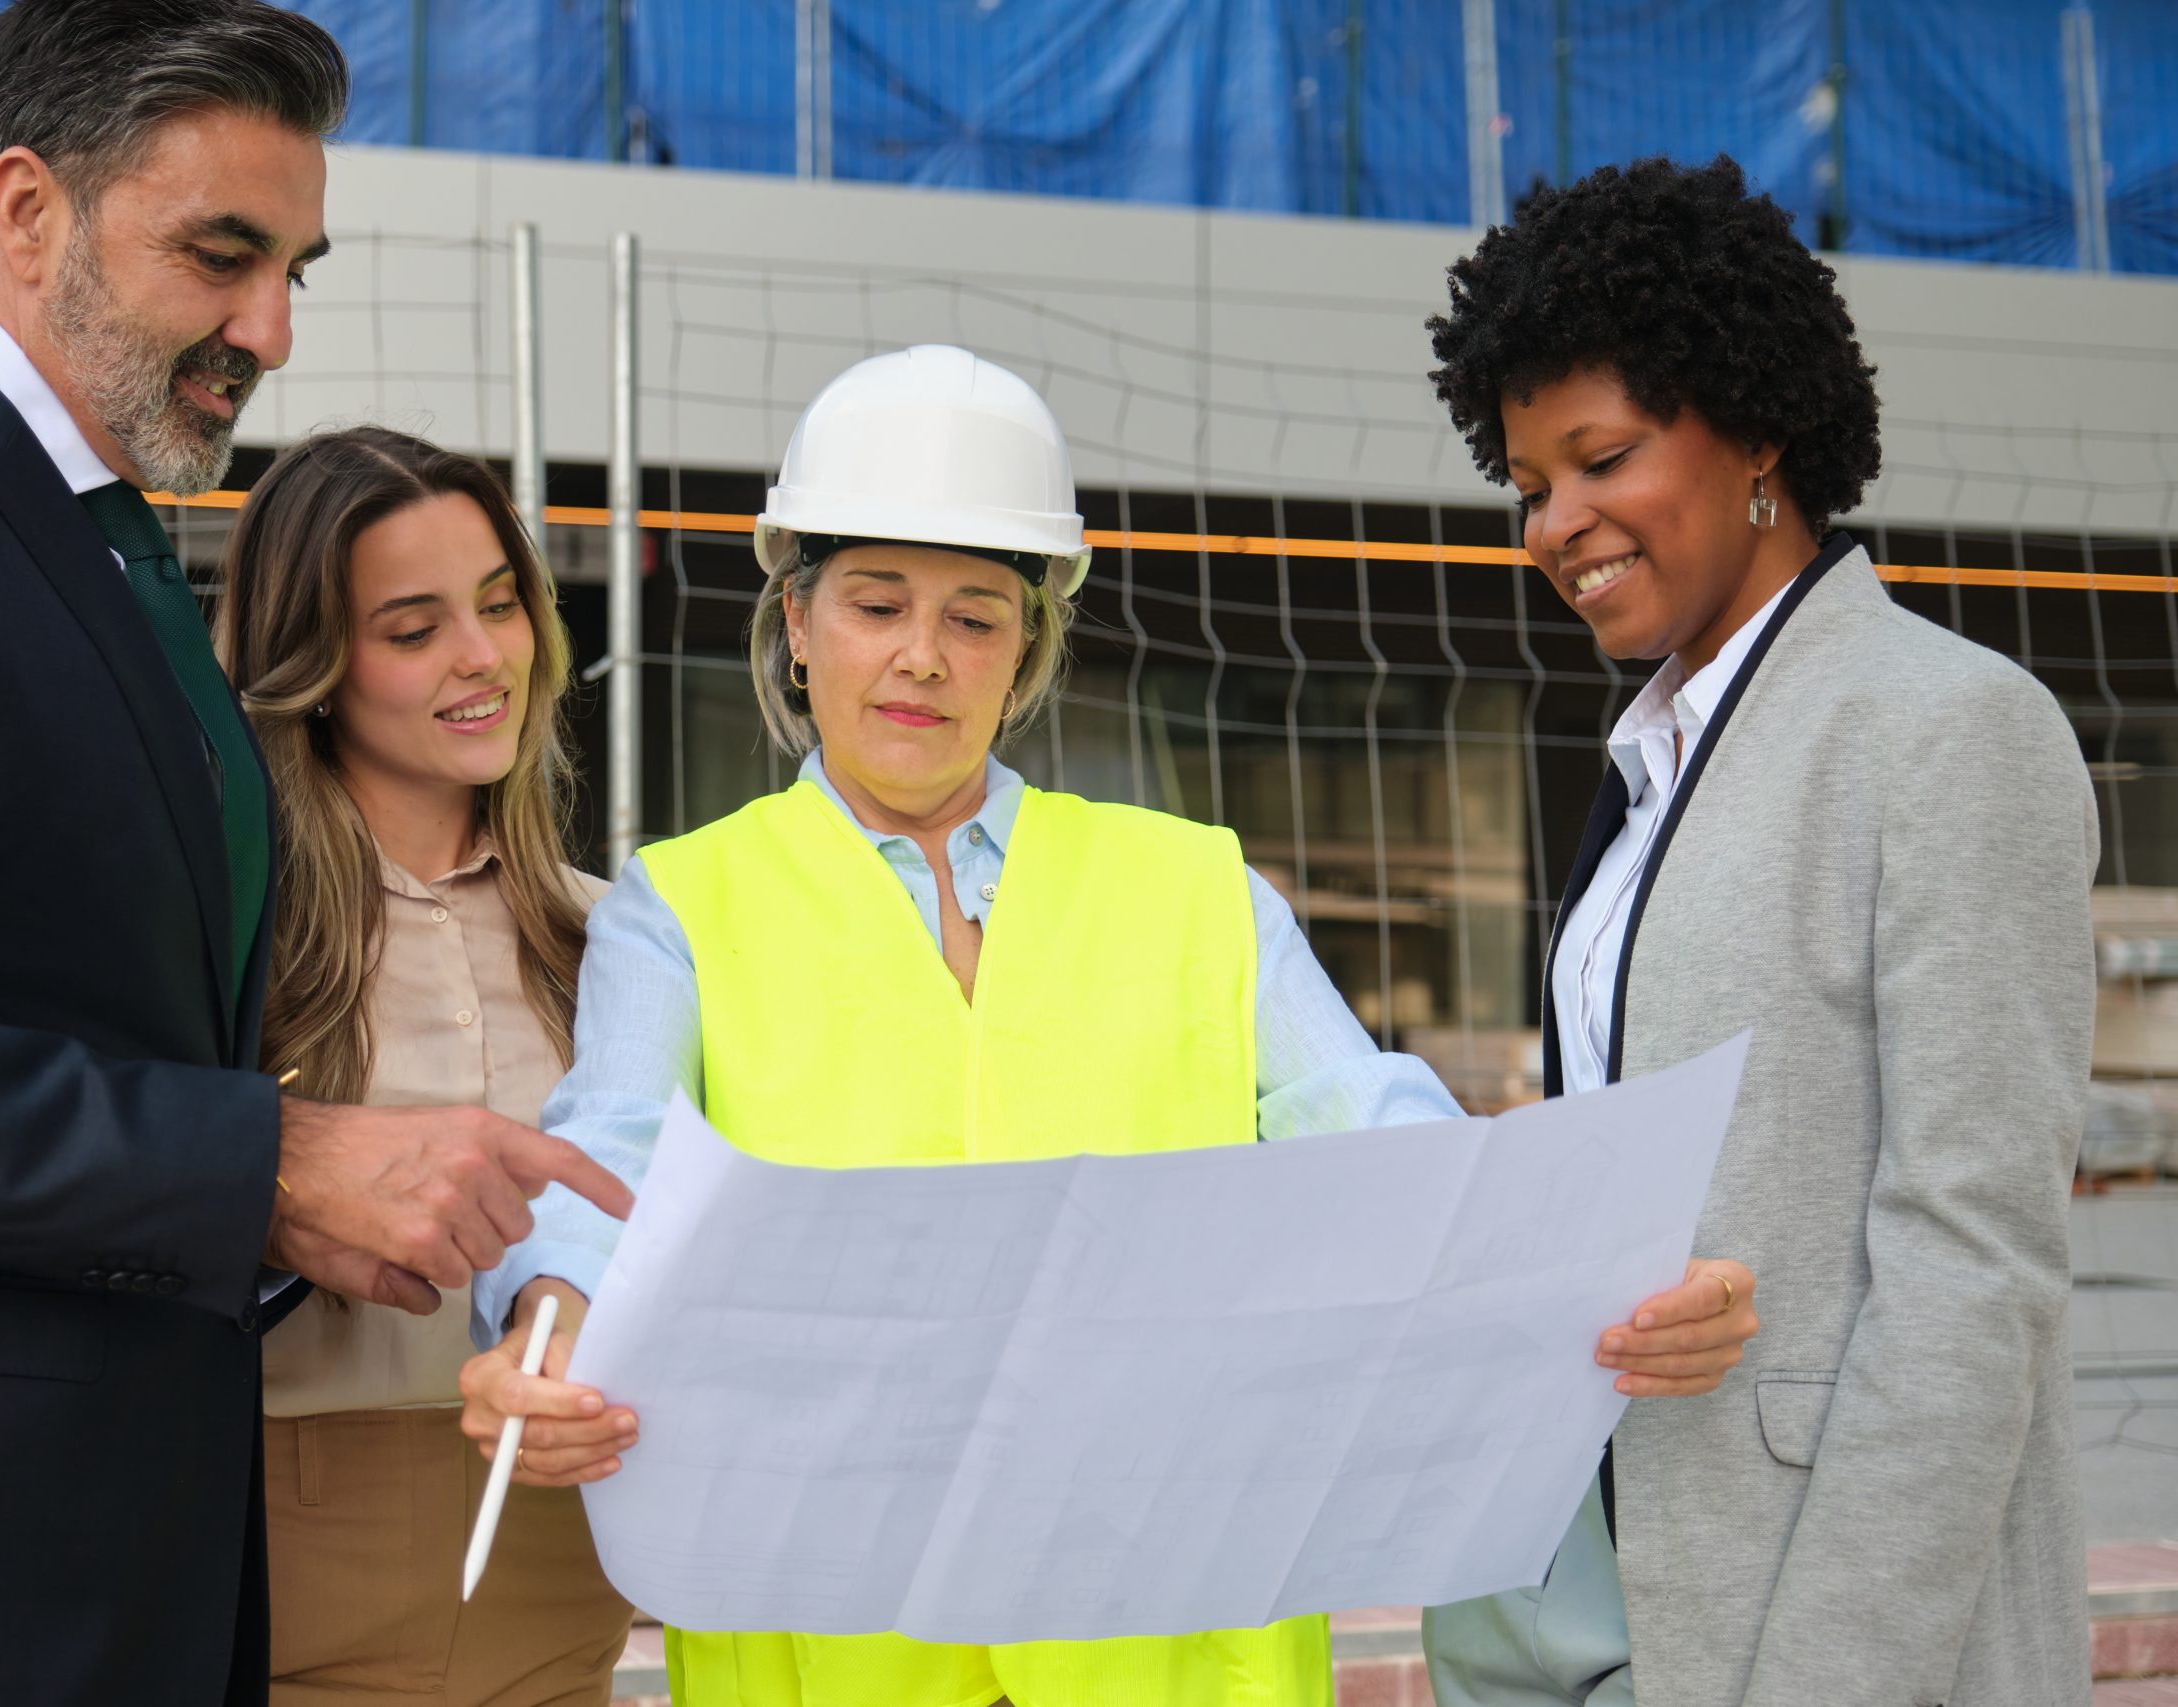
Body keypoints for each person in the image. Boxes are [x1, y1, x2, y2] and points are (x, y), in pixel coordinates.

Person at [453, 345, 1761, 1707]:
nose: (921, 655)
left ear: (1027, 644)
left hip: (1180, 1641)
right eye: (876, 602)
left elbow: (1380, 1135)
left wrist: (1606, 1264)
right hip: (845, 1644)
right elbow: (600, 1174)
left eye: (973, 615)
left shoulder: (1197, 886)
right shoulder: (684, 904)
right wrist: (549, 1328)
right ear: (796, 618)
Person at [0, 7, 627, 1704]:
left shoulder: (113, 565)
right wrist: (279, 1163)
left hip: (99, 1565)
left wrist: (288, 1220)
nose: (273, 329)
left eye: (297, 264)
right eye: (221, 256)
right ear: (27, 211)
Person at [1417, 155, 2097, 1707]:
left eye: (1602, 457)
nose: (1555, 523)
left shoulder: (1949, 727)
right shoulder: (1650, 767)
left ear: (1756, 429)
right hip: (1610, 1602)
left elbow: (1972, 1263)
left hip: (1834, 1626)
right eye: (1530, 485)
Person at [215, 427, 636, 1705]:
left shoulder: (613, 929)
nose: (481, 658)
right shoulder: (228, 933)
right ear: (313, 668)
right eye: (413, 628)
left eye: (500, 604)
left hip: (571, 1549)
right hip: (288, 1545)